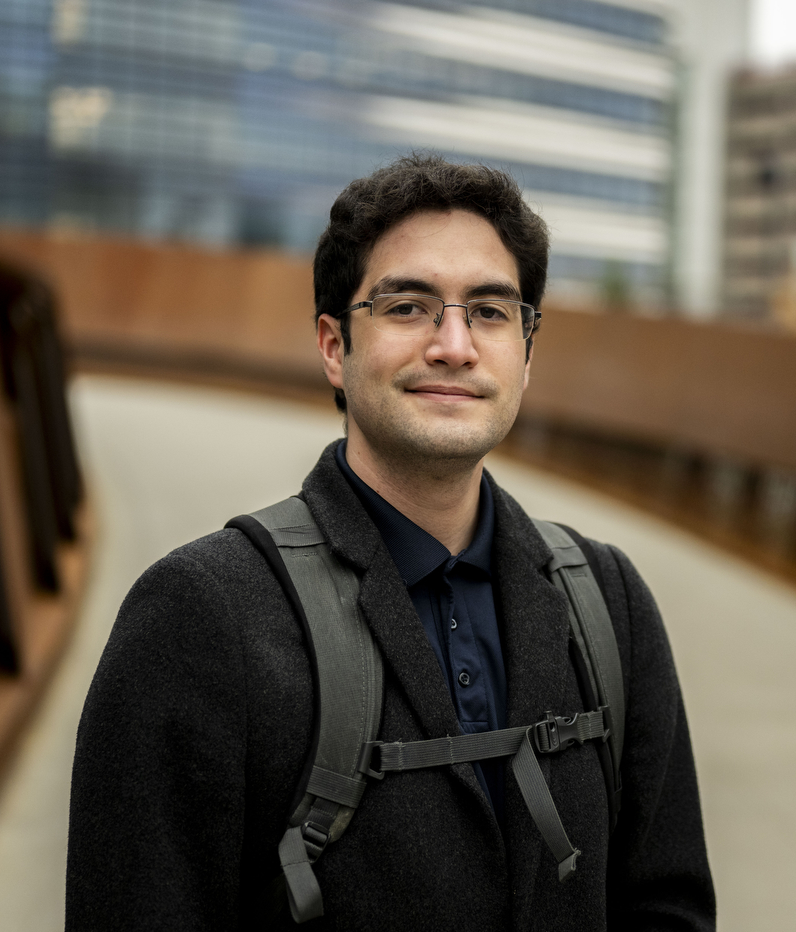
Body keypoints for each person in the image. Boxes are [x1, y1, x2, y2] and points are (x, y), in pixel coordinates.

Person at [66, 155, 715, 931]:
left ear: (528, 353)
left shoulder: (608, 603)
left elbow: (669, 909)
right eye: (409, 307)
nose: (454, 345)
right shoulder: (199, 618)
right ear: (334, 346)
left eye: (490, 311)